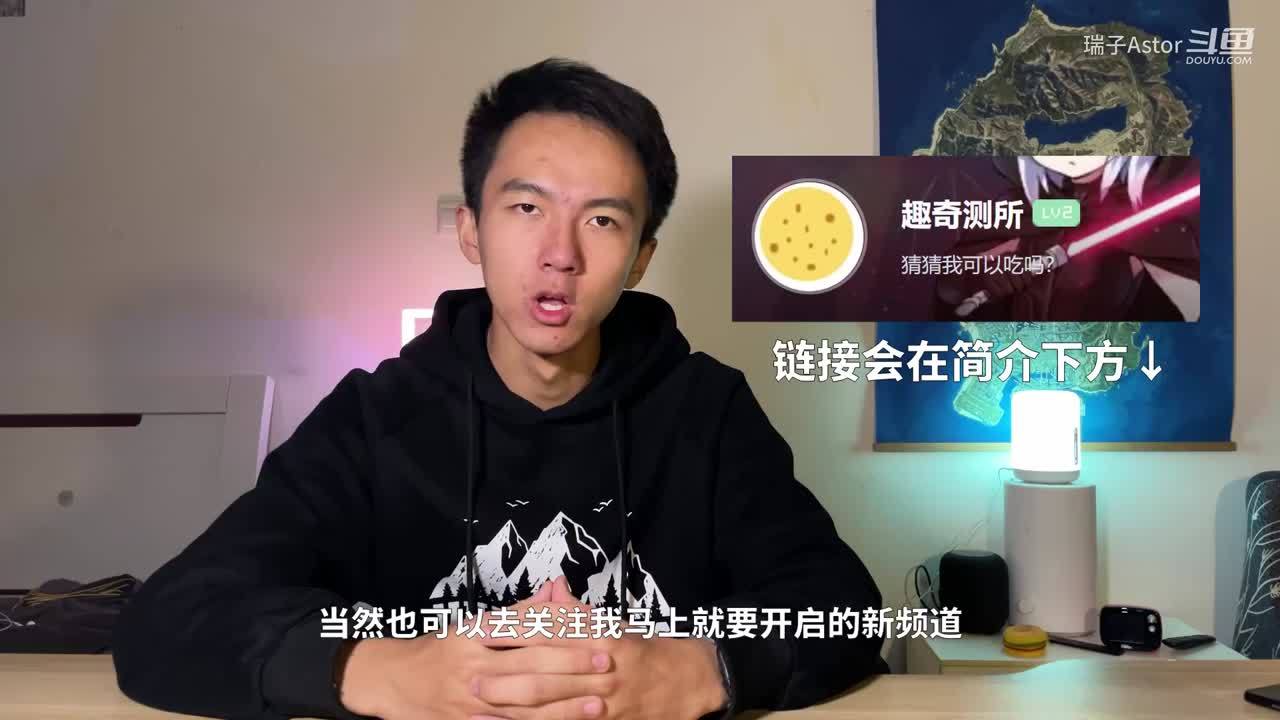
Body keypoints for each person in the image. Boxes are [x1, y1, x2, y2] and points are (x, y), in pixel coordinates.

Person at [112, 57, 885, 720]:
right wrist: (387, 672)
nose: (560, 254)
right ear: (471, 230)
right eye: (525, 207)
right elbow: (173, 617)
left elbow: (843, 609)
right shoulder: (378, 418)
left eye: (603, 221)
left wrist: (698, 670)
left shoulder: (705, 411)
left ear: (641, 259)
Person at [934, 155, 1200, 321]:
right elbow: (954, 282)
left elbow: (1192, 294)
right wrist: (987, 277)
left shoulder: (1155, 212)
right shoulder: (1022, 207)